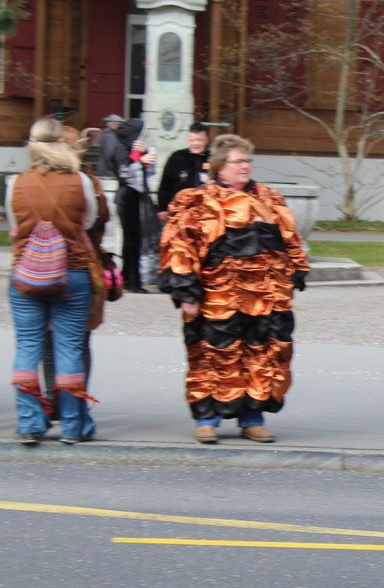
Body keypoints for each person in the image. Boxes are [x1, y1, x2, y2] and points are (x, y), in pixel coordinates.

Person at [159, 134, 309, 445]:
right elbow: (181, 248)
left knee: (261, 355)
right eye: (238, 161)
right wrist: (187, 293)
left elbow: (290, 239)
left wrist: (296, 270)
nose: (245, 166)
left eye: (247, 161)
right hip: (217, 297)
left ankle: (252, 419)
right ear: (220, 168)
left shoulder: (269, 198)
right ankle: (207, 420)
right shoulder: (198, 201)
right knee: (213, 356)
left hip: (266, 297)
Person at [7, 117, 99, 445]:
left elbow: (15, 224)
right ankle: (74, 427)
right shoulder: (80, 182)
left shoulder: (16, 183)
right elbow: (87, 221)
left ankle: (31, 423)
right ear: (61, 144)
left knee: (27, 347)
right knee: (70, 348)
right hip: (71, 273)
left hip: (26, 275)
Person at [99, 117, 157, 293]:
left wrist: (146, 162)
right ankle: (132, 281)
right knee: (131, 240)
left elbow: (149, 173)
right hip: (127, 196)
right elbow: (124, 174)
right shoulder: (120, 148)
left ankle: (131, 278)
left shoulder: (136, 148)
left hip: (138, 196)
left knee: (135, 239)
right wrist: (139, 158)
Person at [157, 122, 210, 218]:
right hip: (179, 213)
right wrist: (162, 209)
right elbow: (165, 185)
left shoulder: (212, 158)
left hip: (205, 214)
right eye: (192, 140)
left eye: (199, 140)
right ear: (188, 140)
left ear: (206, 140)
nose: (195, 143)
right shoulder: (177, 157)